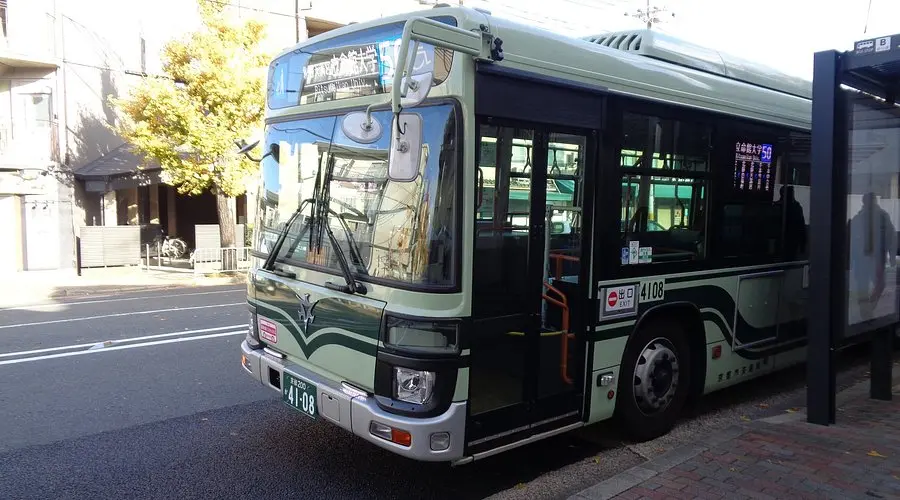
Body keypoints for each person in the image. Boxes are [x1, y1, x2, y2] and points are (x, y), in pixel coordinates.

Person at [848, 192, 897, 321]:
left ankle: (868, 309)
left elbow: (891, 237)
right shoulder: (859, 218)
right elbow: (852, 239)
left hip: (876, 260)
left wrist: (892, 256)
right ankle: (865, 313)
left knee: (879, 284)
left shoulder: (882, 217)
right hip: (863, 259)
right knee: (863, 286)